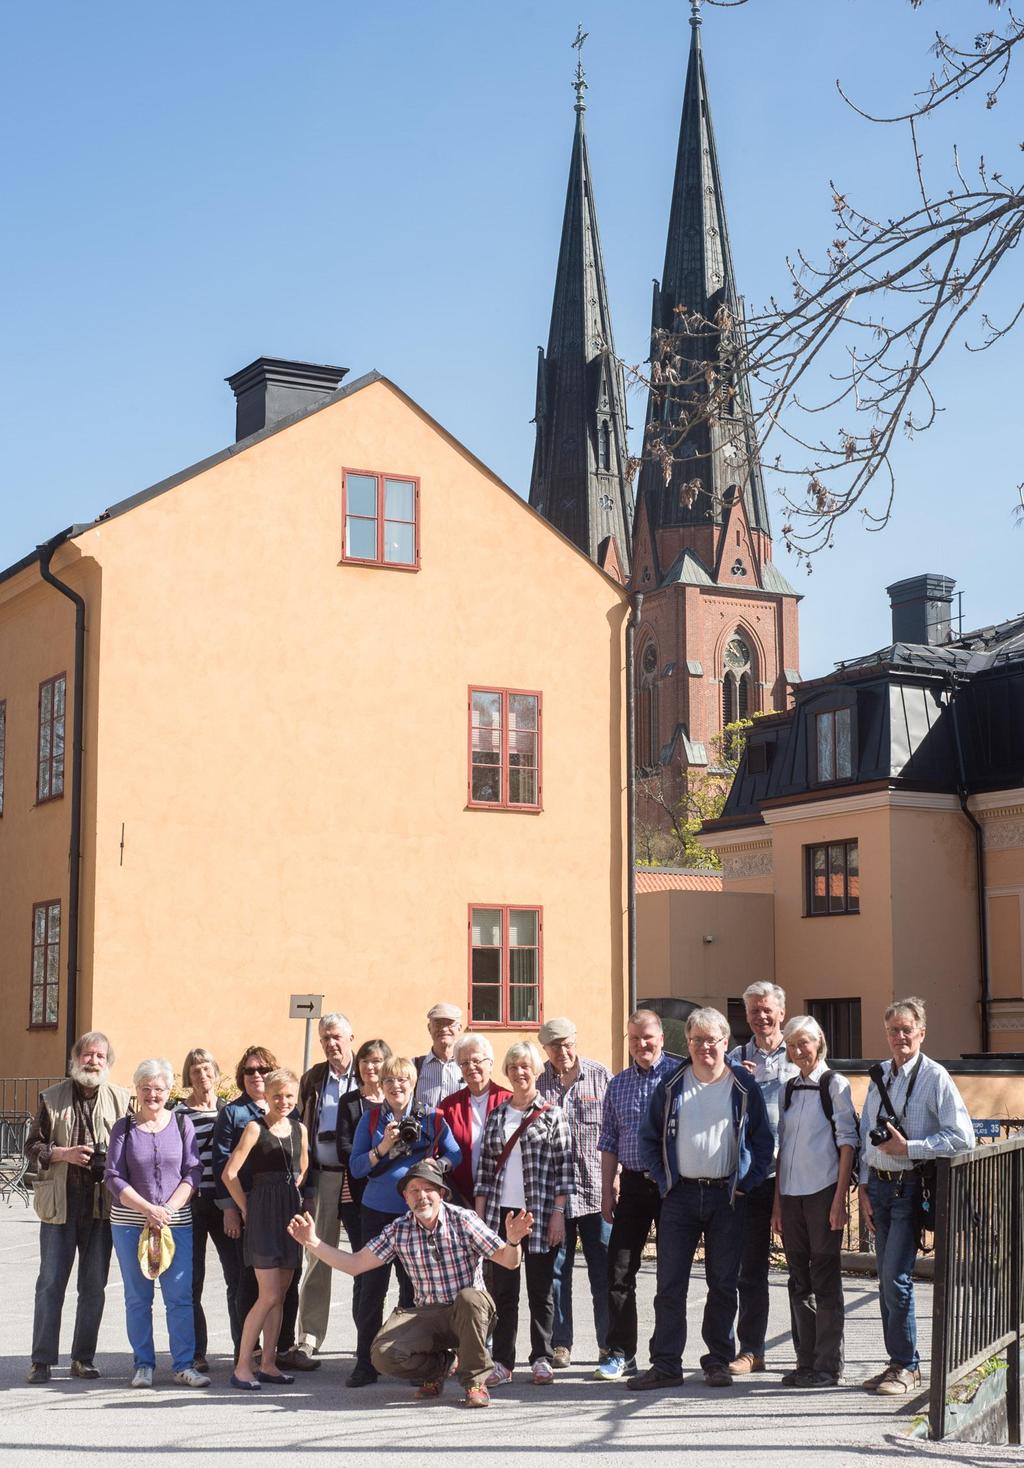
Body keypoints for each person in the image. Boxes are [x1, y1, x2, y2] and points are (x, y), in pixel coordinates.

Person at [289, 1158, 534, 1408]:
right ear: (405, 1198)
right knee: (382, 1354)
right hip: (427, 1315)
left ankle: (474, 1383)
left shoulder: (464, 1220)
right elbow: (355, 1264)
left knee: (469, 1298)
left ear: (442, 1194)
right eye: (414, 1191)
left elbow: (508, 1261)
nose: (422, 1196)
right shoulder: (399, 1230)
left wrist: (513, 1242)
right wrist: (312, 1243)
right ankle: (437, 1369)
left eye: (428, 1189)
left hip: (470, 1313)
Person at [628, 1007, 773, 1393]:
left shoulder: (743, 1085)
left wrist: (746, 1182)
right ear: (687, 1043)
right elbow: (648, 1138)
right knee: (669, 1285)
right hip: (681, 1196)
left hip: (728, 1196)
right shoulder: (672, 1084)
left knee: (724, 1283)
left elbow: (763, 1142)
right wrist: (664, 1181)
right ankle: (666, 1364)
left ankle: (718, 1360)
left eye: (712, 1040)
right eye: (697, 1040)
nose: (705, 1047)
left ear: (725, 1043)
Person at [859, 996, 974, 1396]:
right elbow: (864, 1135)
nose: (900, 1036)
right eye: (893, 1030)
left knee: (896, 1278)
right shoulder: (880, 1076)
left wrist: (911, 1148)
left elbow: (962, 1137)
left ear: (921, 1033)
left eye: (908, 1029)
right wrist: (862, 1186)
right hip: (878, 1186)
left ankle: (908, 1366)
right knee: (884, 1281)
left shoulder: (936, 1077)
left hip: (909, 1188)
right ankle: (897, 1362)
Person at [347, 1056, 461, 1386]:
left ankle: (414, 1359)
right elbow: (355, 1168)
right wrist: (383, 1146)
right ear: (380, 1086)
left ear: (413, 1083)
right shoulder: (370, 1122)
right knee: (371, 1289)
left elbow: (455, 1154)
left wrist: (433, 1167)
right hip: (377, 1212)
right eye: (389, 1081)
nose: (396, 1086)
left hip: (417, 1214)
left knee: (414, 1289)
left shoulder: (432, 1117)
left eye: (403, 1080)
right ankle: (365, 1362)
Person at [25, 1031, 131, 1384]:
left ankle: (82, 1358)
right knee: (51, 1283)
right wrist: (63, 1154)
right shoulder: (52, 1098)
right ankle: (41, 1360)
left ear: (108, 1063)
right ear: (75, 1059)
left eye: (100, 1056)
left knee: (94, 1287)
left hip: (102, 1207)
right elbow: (32, 1146)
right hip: (60, 1205)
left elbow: (133, 1148)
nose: (93, 1061)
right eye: (87, 1055)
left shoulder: (122, 1100)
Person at [475, 1041, 574, 1387]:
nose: (520, 1072)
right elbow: (486, 1170)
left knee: (541, 1288)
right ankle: (502, 1361)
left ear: (537, 1071)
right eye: (514, 1066)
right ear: (507, 1071)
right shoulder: (498, 1115)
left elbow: (565, 1168)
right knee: (503, 1290)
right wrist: (480, 1218)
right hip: (503, 1215)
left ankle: (541, 1357)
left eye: (526, 1067)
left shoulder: (553, 1114)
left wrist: (559, 1213)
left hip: (541, 1210)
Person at [105, 1059, 207, 1388]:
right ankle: (143, 1365)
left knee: (179, 1296)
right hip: (130, 1223)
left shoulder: (181, 1125)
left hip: (175, 1222)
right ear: (136, 1091)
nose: (152, 1095)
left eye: (159, 1089)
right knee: (138, 1297)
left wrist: (168, 1209)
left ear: (168, 1091)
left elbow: (193, 1170)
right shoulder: (124, 1128)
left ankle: (183, 1365)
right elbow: (114, 1177)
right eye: (146, 1089)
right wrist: (148, 1208)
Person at [770, 1016, 858, 1388]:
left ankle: (828, 1365)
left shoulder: (834, 1085)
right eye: (790, 1045)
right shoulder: (787, 1089)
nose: (797, 1051)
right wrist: (776, 1203)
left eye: (803, 1043)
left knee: (824, 1279)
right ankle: (804, 1360)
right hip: (790, 1195)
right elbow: (782, 1147)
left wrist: (839, 1200)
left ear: (819, 1042)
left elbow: (847, 1143)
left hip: (822, 1193)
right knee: (798, 1280)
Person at [210, 1045, 309, 1371]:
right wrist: (246, 1206)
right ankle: (242, 1365)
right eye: (278, 1095)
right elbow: (229, 1172)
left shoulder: (299, 1129)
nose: (284, 1101)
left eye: (290, 1096)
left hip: (288, 1215)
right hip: (263, 1213)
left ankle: (268, 1363)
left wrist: (289, 1195)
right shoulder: (254, 1127)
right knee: (265, 1295)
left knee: (280, 1295)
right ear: (267, 1095)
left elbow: (303, 1169)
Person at [593, 1008, 678, 1382]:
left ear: (661, 1037)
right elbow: (609, 1139)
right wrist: (607, 1189)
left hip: (673, 1186)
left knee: (670, 1274)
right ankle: (621, 1353)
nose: (642, 1044)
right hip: (631, 1187)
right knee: (619, 1270)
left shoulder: (681, 1076)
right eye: (635, 1038)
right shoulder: (619, 1083)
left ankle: (665, 1356)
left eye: (648, 1037)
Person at [726, 980, 795, 1375]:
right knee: (748, 1270)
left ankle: (814, 1354)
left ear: (780, 1012)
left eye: (767, 1009)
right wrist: (736, 1081)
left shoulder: (801, 1050)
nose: (761, 1017)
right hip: (753, 1174)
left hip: (796, 1174)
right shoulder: (735, 1057)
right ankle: (751, 1349)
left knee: (803, 1269)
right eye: (753, 1011)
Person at [536, 1016, 612, 1369]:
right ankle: (560, 1344)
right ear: (545, 1049)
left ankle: (608, 1345)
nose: (562, 1052)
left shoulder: (600, 1076)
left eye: (567, 1044)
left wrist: (618, 1178)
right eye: (554, 1046)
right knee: (556, 1274)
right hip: (557, 1199)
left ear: (576, 1042)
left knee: (604, 1274)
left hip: (597, 1194)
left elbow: (618, 1131)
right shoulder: (539, 1086)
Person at [293, 1011, 359, 1364]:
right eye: (325, 1039)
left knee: (370, 1256)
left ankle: (371, 1337)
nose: (331, 1044)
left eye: (336, 1036)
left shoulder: (366, 1071)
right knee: (317, 1255)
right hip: (323, 1176)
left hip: (359, 1178)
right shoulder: (313, 1078)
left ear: (351, 1037)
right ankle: (309, 1336)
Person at [175, 1047, 239, 1373]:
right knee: (191, 1282)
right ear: (189, 1076)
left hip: (226, 1204)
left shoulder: (229, 1111)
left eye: (207, 1069)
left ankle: (244, 1348)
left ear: (215, 1071)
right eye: (195, 1070)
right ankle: (197, 1351)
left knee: (237, 1278)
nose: (202, 1075)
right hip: (192, 1205)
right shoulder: (179, 1114)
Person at [334, 1038, 392, 1333]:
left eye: (378, 1061)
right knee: (366, 1271)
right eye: (366, 1061)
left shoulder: (398, 1098)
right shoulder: (350, 1101)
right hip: (356, 1197)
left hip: (395, 1197)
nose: (371, 1066)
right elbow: (343, 1148)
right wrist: (375, 1160)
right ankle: (366, 1342)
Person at [437, 1033, 511, 1205]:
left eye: (477, 1061)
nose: (471, 1067)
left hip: (502, 1197)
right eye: (464, 1063)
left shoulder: (509, 1101)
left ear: (490, 1063)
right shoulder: (448, 1105)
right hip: (460, 1197)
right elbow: (439, 1151)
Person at [413, 1002, 464, 1107]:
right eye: (438, 1024)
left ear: (459, 1028)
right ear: (429, 1028)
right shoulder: (414, 1066)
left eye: (450, 1024)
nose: (444, 1029)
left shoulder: (469, 1066)